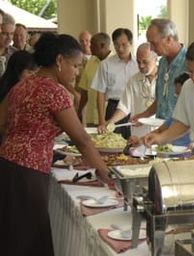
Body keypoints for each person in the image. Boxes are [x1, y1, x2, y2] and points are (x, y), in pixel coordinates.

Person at [0, 32, 111, 255]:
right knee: (31, 236)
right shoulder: (53, 91)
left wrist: (22, 139)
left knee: (13, 234)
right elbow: (82, 140)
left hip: (6, 165)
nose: (77, 73)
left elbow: (1, 123)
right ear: (59, 60)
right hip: (29, 173)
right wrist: (106, 173)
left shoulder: (23, 85)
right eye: (76, 66)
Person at [131, 18, 187, 121]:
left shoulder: (189, 63)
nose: (151, 48)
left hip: (180, 131)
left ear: (169, 39)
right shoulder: (162, 63)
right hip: (161, 130)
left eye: (154, 43)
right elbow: (160, 100)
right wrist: (143, 115)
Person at [99, 42, 158, 137]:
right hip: (139, 134)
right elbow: (124, 106)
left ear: (155, 59)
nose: (141, 66)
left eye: (145, 62)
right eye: (138, 62)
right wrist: (110, 122)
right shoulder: (134, 80)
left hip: (159, 133)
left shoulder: (165, 79)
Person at [91, 28, 138, 139]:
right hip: (113, 107)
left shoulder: (139, 64)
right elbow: (100, 93)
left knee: (134, 142)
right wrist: (101, 120)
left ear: (131, 44)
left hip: (135, 108)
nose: (120, 49)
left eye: (124, 45)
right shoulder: (106, 64)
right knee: (113, 143)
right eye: (116, 45)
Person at [130, 72, 191, 148]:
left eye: (181, 94)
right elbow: (159, 131)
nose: (178, 97)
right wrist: (141, 140)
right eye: (177, 94)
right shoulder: (176, 114)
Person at [77, 32, 111, 126]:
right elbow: (84, 90)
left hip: (109, 118)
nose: (89, 46)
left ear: (102, 46)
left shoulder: (115, 63)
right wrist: (79, 111)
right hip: (91, 117)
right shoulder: (90, 61)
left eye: (93, 44)